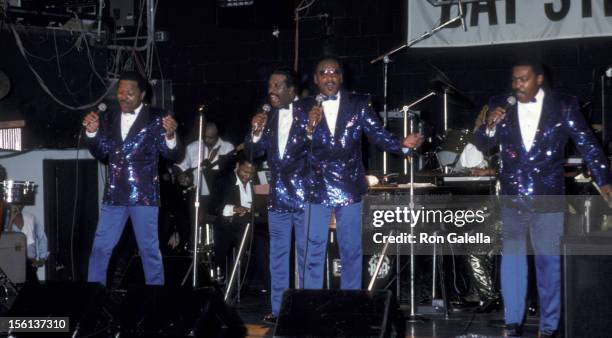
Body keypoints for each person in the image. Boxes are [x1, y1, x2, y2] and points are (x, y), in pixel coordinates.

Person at [473, 60, 612, 337]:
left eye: (523, 79)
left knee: (548, 263)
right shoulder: (501, 103)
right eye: (514, 80)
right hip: (512, 194)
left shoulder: (563, 104)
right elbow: (482, 143)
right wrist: (490, 125)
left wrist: (605, 179)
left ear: (538, 80)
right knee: (512, 260)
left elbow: (587, 144)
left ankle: (549, 326)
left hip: (548, 195)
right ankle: (513, 321)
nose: (517, 85)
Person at [303, 56, 424, 290]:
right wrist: (309, 128)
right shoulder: (303, 107)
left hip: (348, 186)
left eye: (334, 72)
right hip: (314, 187)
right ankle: (311, 306)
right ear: (316, 79)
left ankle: (351, 306)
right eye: (324, 72)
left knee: (351, 250)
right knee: (313, 249)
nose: (329, 77)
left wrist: (403, 144)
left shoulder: (358, 103)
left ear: (341, 77)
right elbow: (296, 145)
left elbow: (377, 134)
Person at [82, 71, 180, 286]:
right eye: (120, 92)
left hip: (144, 195)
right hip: (114, 194)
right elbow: (102, 152)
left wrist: (171, 136)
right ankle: (93, 296)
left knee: (149, 250)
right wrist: (92, 133)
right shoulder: (109, 118)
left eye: (129, 93)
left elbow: (171, 154)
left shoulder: (157, 117)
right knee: (100, 248)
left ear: (142, 94)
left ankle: (155, 299)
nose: (123, 97)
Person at [248, 67, 309, 323]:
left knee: (306, 255)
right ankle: (278, 308)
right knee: (278, 255)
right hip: (278, 198)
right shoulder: (267, 117)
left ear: (291, 91)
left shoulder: (308, 114)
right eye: (270, 86)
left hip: (306, 195)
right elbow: (253, 152)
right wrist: (256, 131)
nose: (271, 91)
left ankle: (306, 306)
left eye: (277, 86)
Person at [175, 122, 235, 232]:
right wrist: (181, 176)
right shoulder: (192, 147)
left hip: (219, 194)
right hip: (196, 192)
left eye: (211, 138)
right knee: (194, 222)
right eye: (205, 137)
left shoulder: (228, 147)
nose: (207, 140)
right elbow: (181, 166)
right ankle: (195, 243)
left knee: (217, 225)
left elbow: (231, 172)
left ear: (217, 134)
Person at [210, 157, 256, 286]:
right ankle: (221, 278)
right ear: (237, 166)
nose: (248, 176)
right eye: (244, 172)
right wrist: (234, 208)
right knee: (223, 245)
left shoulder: (256, 182)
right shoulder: (224, 182)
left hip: (249, 225)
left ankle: (241, 281)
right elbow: (212, 207)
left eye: (251, 173)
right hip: (227, 223)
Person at [4, 205, 48, 282]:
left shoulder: (30, 218)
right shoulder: (3, 220)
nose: (16, 206)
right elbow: (6, 241)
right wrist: (10, 220)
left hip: (30, 266)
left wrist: (42, 259)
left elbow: (42, 237)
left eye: (18, 203)